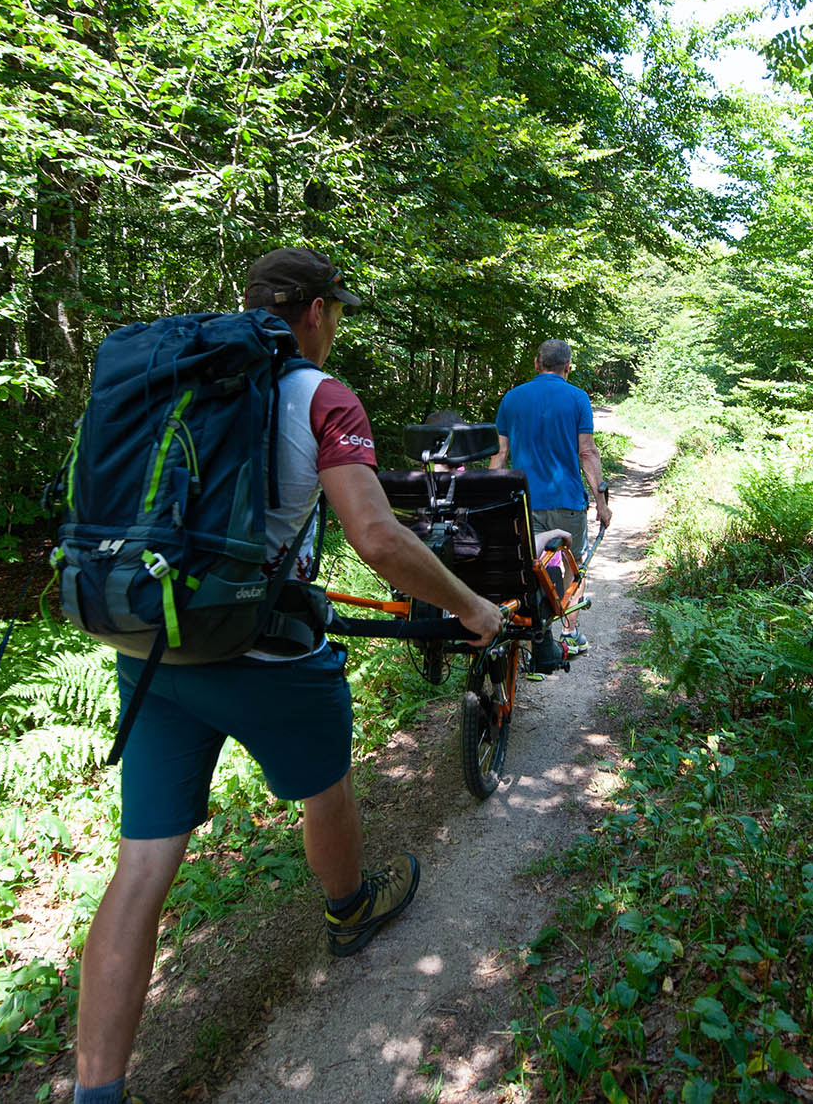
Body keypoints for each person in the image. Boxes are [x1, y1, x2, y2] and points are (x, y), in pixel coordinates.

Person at [72, 247, 504, 1104]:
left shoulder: (178, 376)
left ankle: (96, 1092)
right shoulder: (321, 396)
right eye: (334, 311)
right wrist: (470, 607)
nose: (335, 325)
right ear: (313, 312)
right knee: (327, 787)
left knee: (145, 863)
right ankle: (350, 911)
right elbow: (378, 540)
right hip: (267, 654)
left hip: (153, 641)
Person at [491, 338, 610, 654]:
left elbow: (499, 455)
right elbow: (587, 451)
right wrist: (601, 504)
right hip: (566, 500)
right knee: (572, 565)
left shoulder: (512, 399)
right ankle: (570, 634)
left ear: (536, 363)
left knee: (526, 565)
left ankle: (527, 636)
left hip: (522, 502)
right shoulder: (577, 398)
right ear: (568, 367)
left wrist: (490, 501)